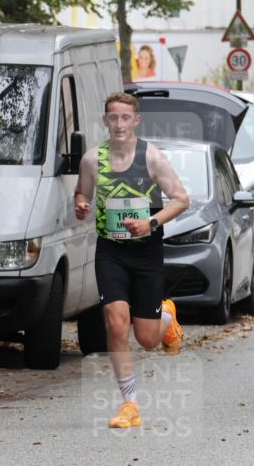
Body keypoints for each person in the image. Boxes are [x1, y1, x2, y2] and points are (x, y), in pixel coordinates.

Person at [74, 92, 190, 429]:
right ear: (105, 120)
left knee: (148, 339)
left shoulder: (151, 157)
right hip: (110, 250)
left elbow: (182, 199)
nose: (120, 124)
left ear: (136, 120)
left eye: (126, 118)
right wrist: (81, 205)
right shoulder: (93, 160)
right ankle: (130, 404)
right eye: (114, 117)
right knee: (115, 322)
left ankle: (168, 317)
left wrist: (151, 222)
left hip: (146, 251)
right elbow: (81, 193)